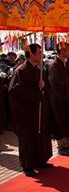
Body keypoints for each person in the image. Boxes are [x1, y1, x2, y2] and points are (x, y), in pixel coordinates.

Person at [9, 44, 53, 177]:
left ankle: (40, 160)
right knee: (28, 139)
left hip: (39, 110)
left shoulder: (39, 70)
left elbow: (47, 88)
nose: (41, 54)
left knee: (40, 135)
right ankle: (27, 165)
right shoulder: (21, 71)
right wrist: (36, 93)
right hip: (27, 112)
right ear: (32, 54)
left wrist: (43, 88)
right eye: (39, 52)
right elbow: (15, 91)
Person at [49, 41, 69, 156]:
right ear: (61, 50)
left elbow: (66, 79)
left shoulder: (65, 64)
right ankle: (61, 146)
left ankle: (68, 142)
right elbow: (56, 83)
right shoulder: (54, 65)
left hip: (66, 97)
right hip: (58, 99)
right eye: (67, 49)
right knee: (60, 121)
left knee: (68, 119)